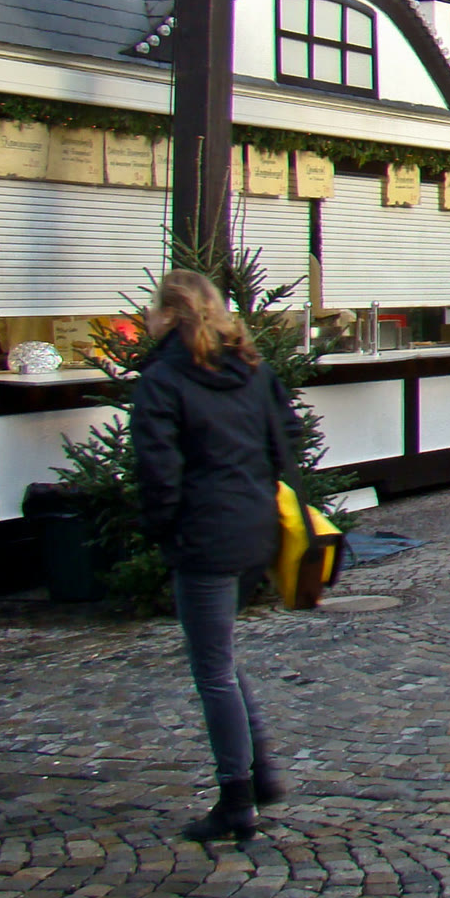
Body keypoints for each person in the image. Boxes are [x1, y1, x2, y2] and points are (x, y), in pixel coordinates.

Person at [132, 268, 301, 844]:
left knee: (212, 669)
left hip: (204, 534)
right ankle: (260, 772)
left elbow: (158, 469)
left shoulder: (162, 379)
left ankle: (236, 798)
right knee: (221, 658)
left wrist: (163, 529)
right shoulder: (252, 369)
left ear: (169, 315)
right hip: (256, 526)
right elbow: (287, 438)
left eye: (152, 308)